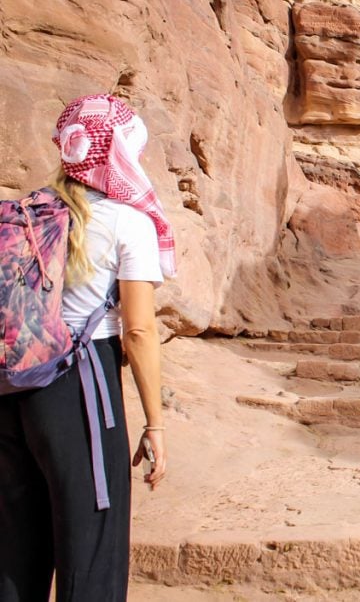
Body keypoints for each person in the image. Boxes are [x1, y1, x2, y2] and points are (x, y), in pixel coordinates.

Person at [0, 94, 173, 601]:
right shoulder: (127, 222)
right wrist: (155, 424)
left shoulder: (28, 212)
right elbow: (138, 332)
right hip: (80, 386)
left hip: (12, 385)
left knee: (14, 548)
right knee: (91, 547)